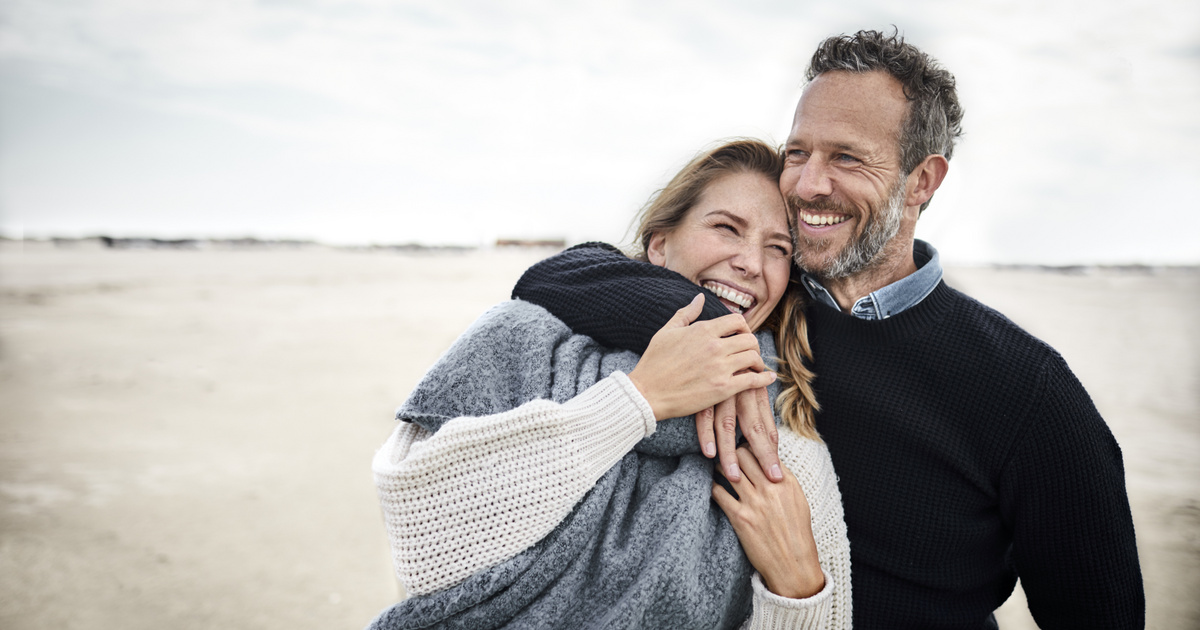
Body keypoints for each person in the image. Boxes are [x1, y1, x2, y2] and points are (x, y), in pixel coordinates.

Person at [514, 29, 1145, 629]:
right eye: (798, 153)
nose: (809, 185)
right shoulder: (758, 298)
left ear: (921, 181)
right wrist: (717, 334)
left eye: (847, 158)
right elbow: (556, 277)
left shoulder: (1025, 390)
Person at [369, 140, 851, 629]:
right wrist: (637, 400)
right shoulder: (521, 335)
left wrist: (798, 591)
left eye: (778, 249)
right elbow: (420, 539)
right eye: (727, 227)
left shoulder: (779, 428)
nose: (751, 262)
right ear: (660, 244)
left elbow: (831, 620)